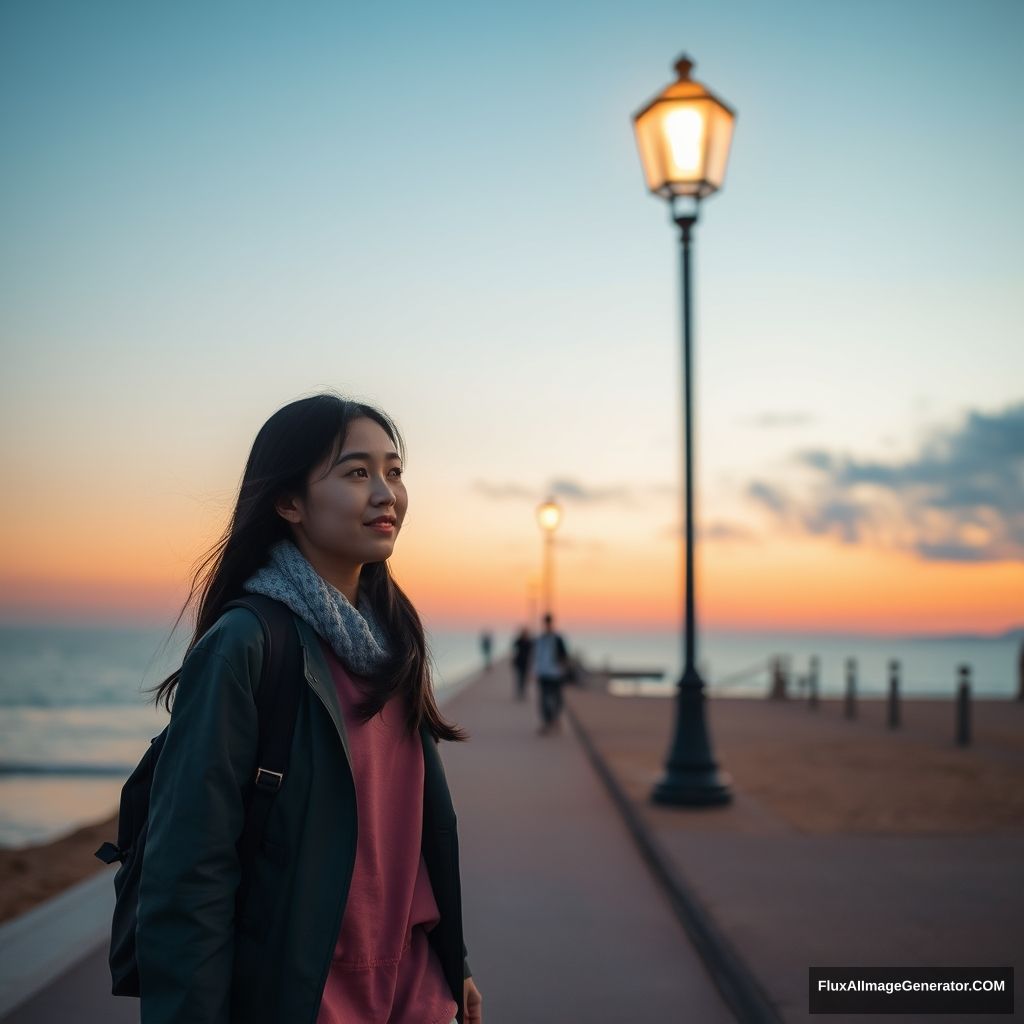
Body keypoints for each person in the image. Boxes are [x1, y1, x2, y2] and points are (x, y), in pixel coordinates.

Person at [136, 392, 484, 1024]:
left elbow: (412, 834)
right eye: (357, 472)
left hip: (414, 989)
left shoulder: (393, 642)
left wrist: (452, 960)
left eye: (394, 471)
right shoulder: (246, 646)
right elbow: (188, 871)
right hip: (305, 996)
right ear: (288, 502)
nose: (386, 494)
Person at [532, 613, 569, 735]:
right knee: (543, 699)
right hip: (543, 674)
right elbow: (536, 657)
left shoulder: (557, 639)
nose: (547, 625)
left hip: (556, 674)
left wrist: (563, 669)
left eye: (548, 622)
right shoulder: (540, 639)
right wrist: (534, 671)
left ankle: (555, 719)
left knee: (557, 699)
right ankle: (547, 723)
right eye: (546, 622)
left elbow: (564, 656)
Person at [512, 627, 532, 701]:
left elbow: (532, 653)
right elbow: (514, 649)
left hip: (526, 663)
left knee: (524, 679)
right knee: (519, 678)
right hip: (519, 662)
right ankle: (519, 692)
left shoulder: (529, 642)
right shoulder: (519, 640)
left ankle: (523, 692)